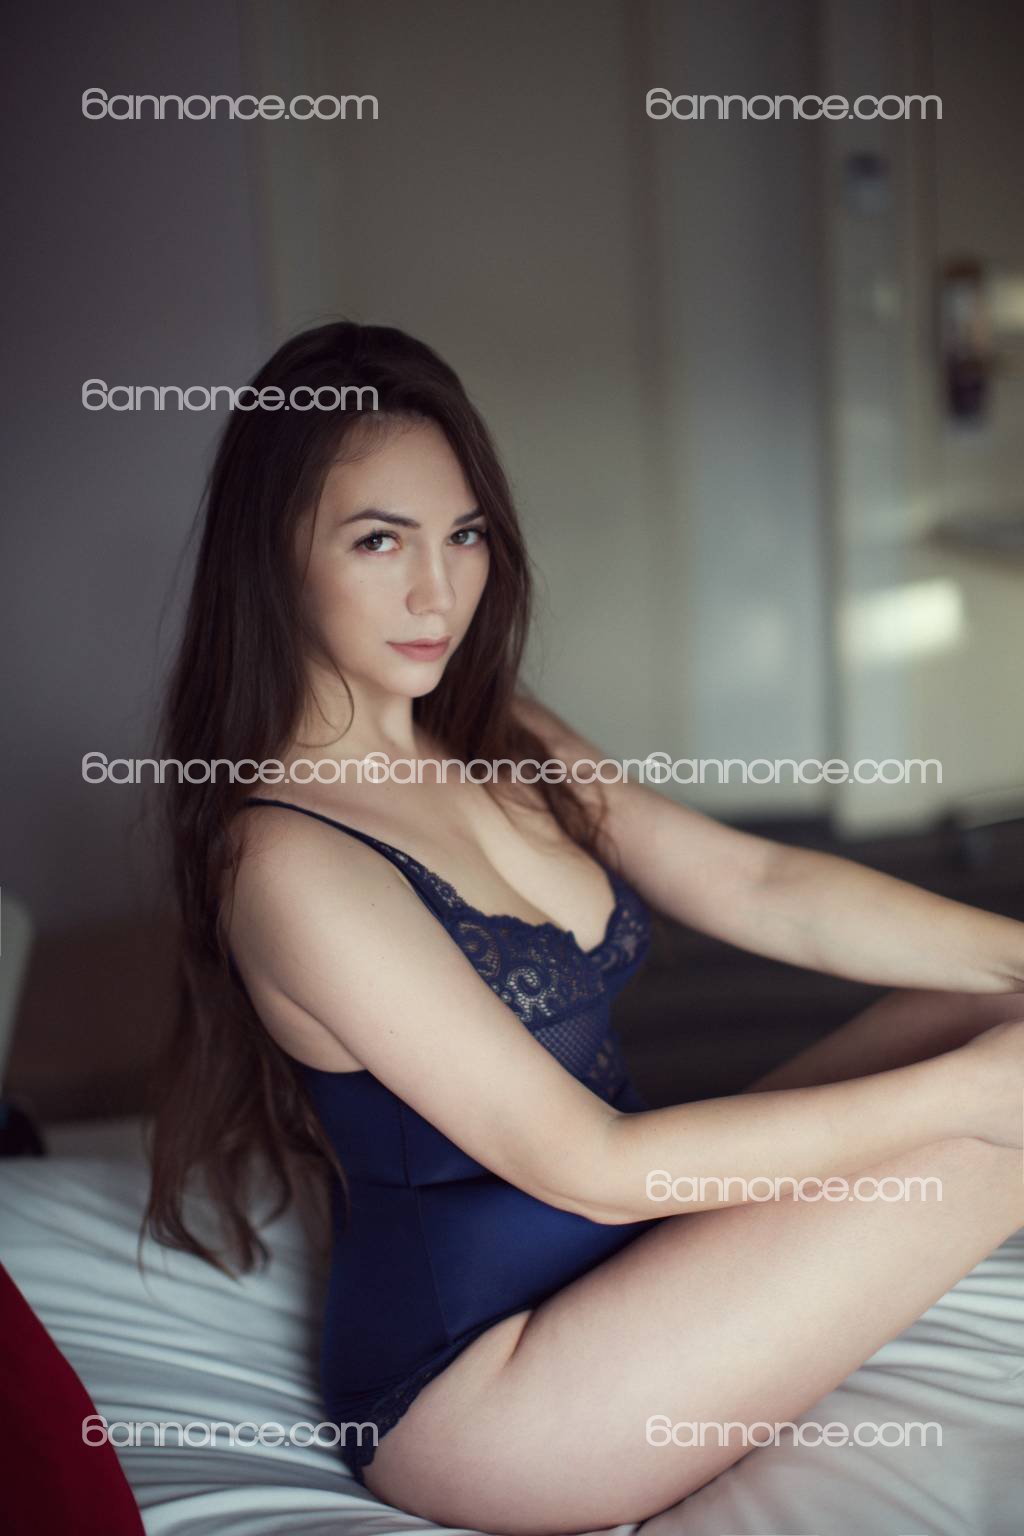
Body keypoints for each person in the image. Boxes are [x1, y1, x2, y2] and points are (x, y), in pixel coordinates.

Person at [143, 319, 1024, 1536]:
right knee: (995, 1130)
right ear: (272, 553)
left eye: (463, 536)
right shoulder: (285, 857)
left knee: (999, 1000)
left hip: (635, 1252)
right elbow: (586, 1165)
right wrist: (968, 1095)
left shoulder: (494, 726)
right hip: (484, 1391)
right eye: (378, 541)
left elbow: (757, 881)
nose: (437, 592)